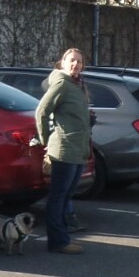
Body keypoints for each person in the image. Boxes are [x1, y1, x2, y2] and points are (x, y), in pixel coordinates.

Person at [33, 47, 91, 254]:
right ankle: (57, 242)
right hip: (64, 149)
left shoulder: (77, 84)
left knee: (66, 197)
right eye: (72, 60)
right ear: (63, 63)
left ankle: (63, 238)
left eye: (79, 61)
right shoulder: (62, 83)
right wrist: (45, 140)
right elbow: (42, 111)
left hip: (78, 149)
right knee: (58, 197)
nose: (75, 64)